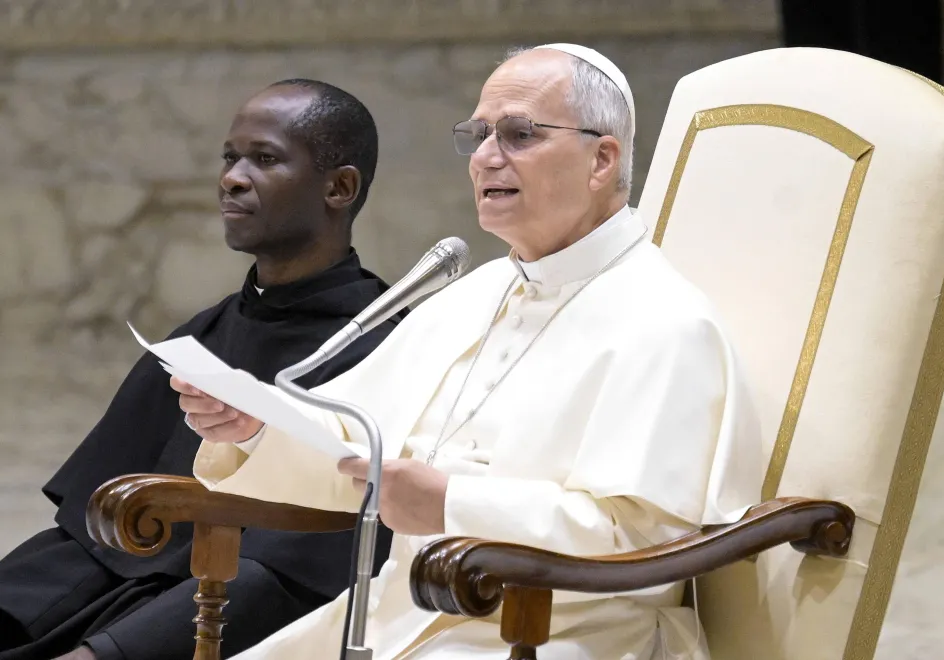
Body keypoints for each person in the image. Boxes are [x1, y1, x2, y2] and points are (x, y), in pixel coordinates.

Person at [179, 45, 762, 659]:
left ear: (601, 159)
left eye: (518, 134)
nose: (485, 157)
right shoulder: (480, 290)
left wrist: (452, 505)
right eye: (478, 135)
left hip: (557, 636)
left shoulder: (666, 322)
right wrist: (255, 428)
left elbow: (645, 538)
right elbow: (358, 437)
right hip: (399, 612)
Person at [0, 79, 397, 660]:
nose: (232, 178)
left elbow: (301, 570)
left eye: (263, 159)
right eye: (230, 157)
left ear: (339, 187)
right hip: (122, 592)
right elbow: (92, 533)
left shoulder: (393, 345)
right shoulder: (201, 337)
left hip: (239, 613)